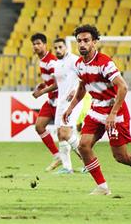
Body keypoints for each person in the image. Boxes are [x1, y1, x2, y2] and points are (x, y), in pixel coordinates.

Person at [63, 25, 131, 195]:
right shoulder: (79, 65)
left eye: (86, 40)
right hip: (97, 110)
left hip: (115, 113)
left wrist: (113, 113)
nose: (82, 44)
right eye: (79, 41)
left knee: (121, 157)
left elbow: (123, 87)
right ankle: (102, 187)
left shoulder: (105, 63)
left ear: (94, 42)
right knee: (83, 146)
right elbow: (83, 87)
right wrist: (70, 107)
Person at [50, 38, 83, 174]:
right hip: (61, 102)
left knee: (67, 133)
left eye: (60, 47)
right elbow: (58, 84)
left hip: (72, 102)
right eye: (56, 48)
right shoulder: (57, 64)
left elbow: (83, 77)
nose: (58, 50)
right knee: (60, 134)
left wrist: (75, 90)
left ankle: (88, 161)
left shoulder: (74, 60)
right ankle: (67, 167)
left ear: (66, 47)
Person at [30, 33, 61, 171]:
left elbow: (58, 83)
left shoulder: (51, 62)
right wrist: (43, 85)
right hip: (52, 100)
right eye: (34, 44)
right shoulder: (42, 60)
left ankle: (85, 162)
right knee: (39, 126)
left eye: (38, 43)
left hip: (61, 101)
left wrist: (41, 92)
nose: (36, 46)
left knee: (66, 135)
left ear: (45, 45)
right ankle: (57, 156)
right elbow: (50, 81)